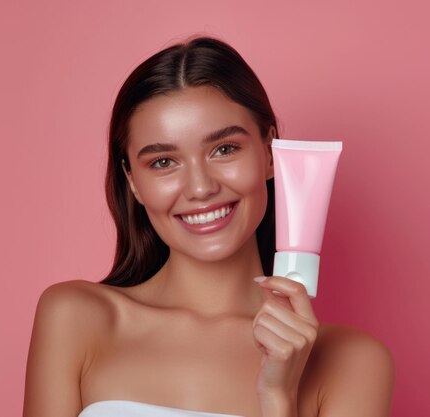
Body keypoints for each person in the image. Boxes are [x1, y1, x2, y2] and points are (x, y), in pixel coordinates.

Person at [22, 37, 394, 417]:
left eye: (224, 149)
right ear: (132, 180)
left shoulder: (352, 361)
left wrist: (279, 398)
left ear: (269, 153)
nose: (201, 188)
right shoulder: (75, 318)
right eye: (164, 162)